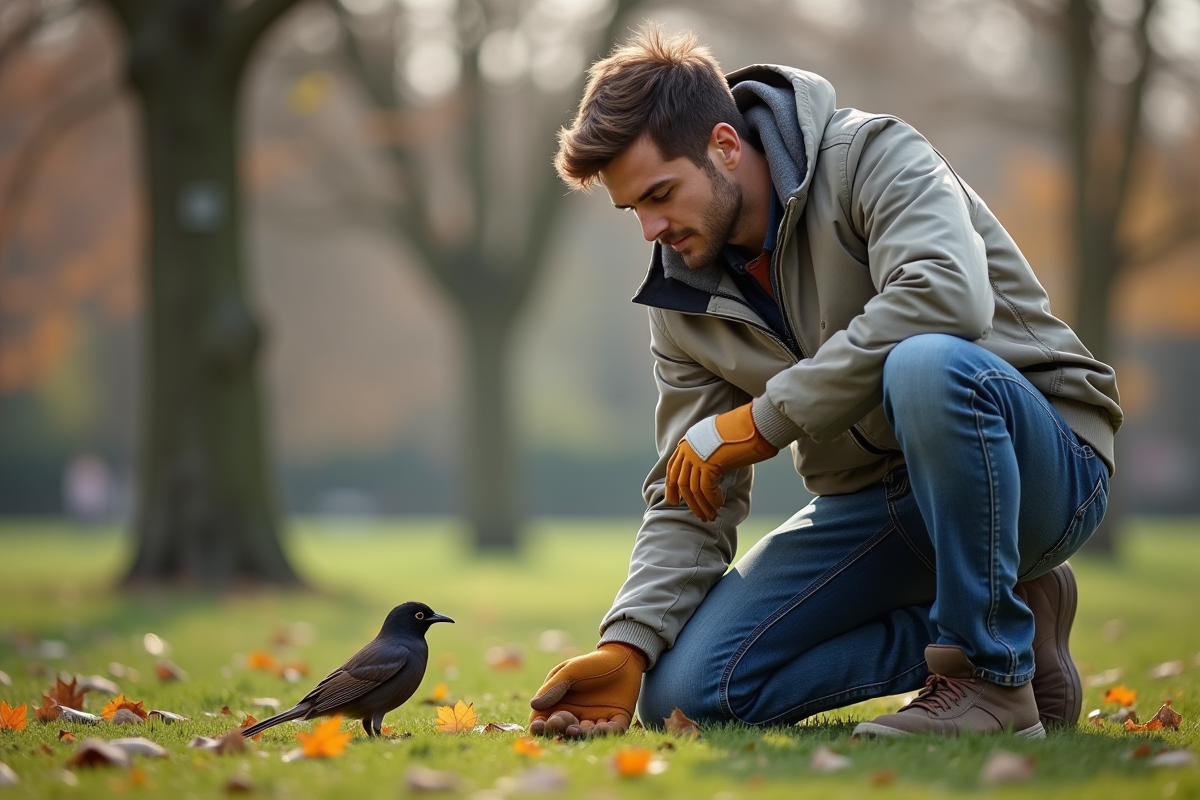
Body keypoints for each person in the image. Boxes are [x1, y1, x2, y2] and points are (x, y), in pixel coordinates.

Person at [528, 26, 1120, 739]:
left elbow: (944, 297)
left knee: (926, 362)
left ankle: (987, 678)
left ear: (723, 144)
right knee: (686, 694)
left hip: (1041, 467)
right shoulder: (682, 304)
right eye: (633, 210)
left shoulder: (871, 154)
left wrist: (767, 419)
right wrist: (629, 643)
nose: (652, 229)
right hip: (882, 507)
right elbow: (691, 488)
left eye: (660, 194)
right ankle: (1017, 623)